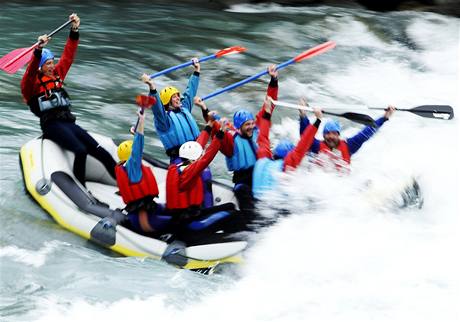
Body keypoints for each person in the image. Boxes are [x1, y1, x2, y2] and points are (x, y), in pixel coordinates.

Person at [20, 13, 116, 186]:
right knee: (80, 151)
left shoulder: (57, 74)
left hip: (69, 123)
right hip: (51, 125)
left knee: (100, 152)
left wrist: (74, 29)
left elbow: (68, 55)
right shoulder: (31, 84)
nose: (52, 66)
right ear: (40, 67)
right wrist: (38, 50)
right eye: (47, 64)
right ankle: (83, 190)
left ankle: (128, 187)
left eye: (52, 62)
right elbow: (30, 71)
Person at [166, 117, 249, 242]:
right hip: (190, 226)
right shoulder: (188, 172)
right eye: (199, 154)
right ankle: (241, 244)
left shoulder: (179, 166)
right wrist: (220, 133)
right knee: (234, 216)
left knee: (230, 206)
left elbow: (199, 145)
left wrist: (209, 127)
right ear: (194, 158)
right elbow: (208, 157)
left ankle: (229, 239)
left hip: (190, 217)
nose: (201, 155)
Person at [219, 65, 279, 210]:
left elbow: (269, 104)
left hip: (260, 173)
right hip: (243, 179)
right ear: (239, 127)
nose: (251, 127)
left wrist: (274, 80)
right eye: (247, 125)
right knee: (241, 190)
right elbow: (219, 139)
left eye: (252, 123)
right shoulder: (231, 141)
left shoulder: (257, 128)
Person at [252, 97, 323, 199]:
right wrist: (318, 120)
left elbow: (263, 136)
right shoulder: (287, 164)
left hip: (256, 203)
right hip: (272, 210)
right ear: (288, 155)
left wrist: (267, 111)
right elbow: (303, 144)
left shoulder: (263, 158)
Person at [115, 110, 171, 236]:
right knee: (179, 221)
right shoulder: (132, 167)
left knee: (174, 210)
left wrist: (135, 134)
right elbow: (138, 146)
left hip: (145, 211)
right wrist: (141, 121)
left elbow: (136, 148)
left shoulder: (126, 167)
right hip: (143, 219)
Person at [299, 99, 395, 170]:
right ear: (323, 136)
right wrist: (303, 114)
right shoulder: (316, 146)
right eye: (328, 133)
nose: (331, 136)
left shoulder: (349, 146)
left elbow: (367, 132)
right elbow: (305, 135)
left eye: (334, 133)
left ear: (338, 135)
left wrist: (384, 117)